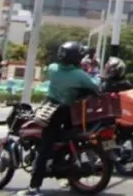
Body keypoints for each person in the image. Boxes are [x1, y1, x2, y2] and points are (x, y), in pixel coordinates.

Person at [17, 42, 101, 196]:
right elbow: (96, 88)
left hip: (51, 110)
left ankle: (34, 187)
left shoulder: (53, 69)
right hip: (69, 113)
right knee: (65, 139)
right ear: (77, 59)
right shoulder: (79, 75)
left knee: (45, 148)